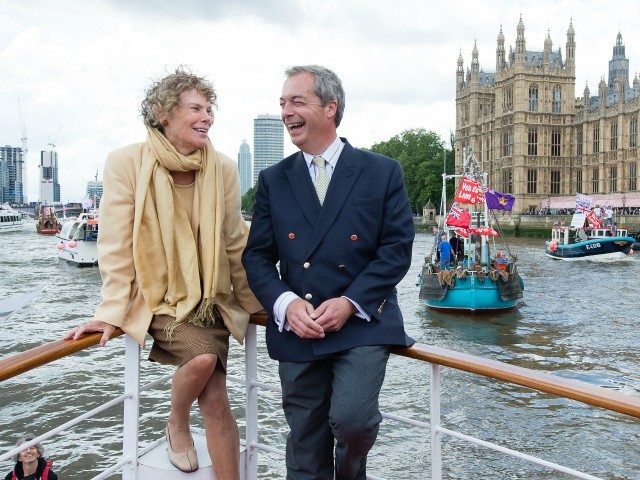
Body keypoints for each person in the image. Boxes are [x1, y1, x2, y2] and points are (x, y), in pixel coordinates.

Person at [64, 68, 262, 478]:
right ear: (163, 113)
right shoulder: (126, 163)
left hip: (209, 299)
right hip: (155, 300)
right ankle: (175, 419)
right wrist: (112, 309)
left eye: (210, 109)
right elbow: (115, 245)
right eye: (195, 108)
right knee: (205, 358)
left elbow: (233, 243)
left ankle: (189, 433)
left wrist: (257, 305)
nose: (207, 116)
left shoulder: (222, 168)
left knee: (215, 398)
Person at [242, 65, 415, 480]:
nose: (286, 111)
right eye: (282, 103)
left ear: (331, 107)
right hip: (299, 325)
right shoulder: (273, 180)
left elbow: (396, 249)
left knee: (354, 422)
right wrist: (284, 304)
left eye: (297, 101)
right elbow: (257, 258)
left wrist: (351, 301)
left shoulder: (382, 171)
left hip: (361, 321)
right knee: (304, 441)